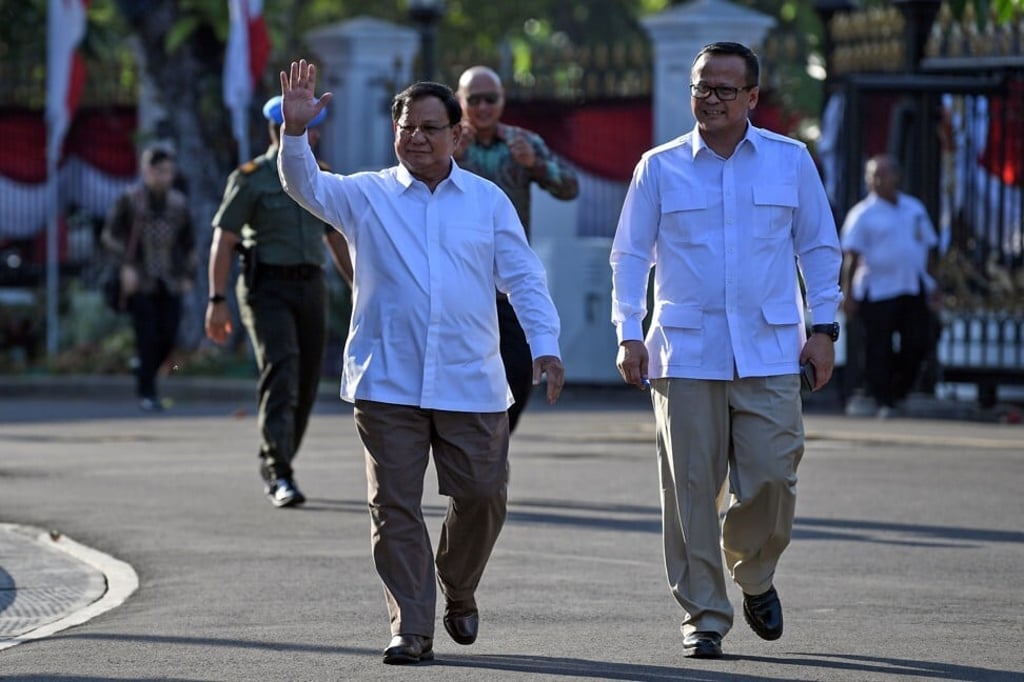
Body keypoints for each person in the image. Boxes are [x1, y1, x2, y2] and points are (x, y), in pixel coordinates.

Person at [277, 59, 565, 665]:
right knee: (395, 507)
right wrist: (296, 133)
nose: (418, 137)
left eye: (432, 128)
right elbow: (306, 188)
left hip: (471, 380)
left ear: (457, 135)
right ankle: (411, 626)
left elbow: (524, 279)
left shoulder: (487, 202)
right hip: (388, 381)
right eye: (409, 127)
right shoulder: (366, 195)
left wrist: (545, 344)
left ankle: (457, 586)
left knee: (484, 495)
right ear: (396, 132)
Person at [610, 42, 843, 659]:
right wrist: (628, 332)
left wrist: (825, 329)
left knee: (773, 478)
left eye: (723, 90)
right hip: (684, 352)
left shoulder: (789, 162)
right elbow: (631, 256)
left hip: (769, 350)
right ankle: (705, 615)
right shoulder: (658, 166)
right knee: (689, 490)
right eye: (700, 87)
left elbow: (818, 249)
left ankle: (755, 572)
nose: (709, 99)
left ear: (752, 98)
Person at [206, 95, 353, 509]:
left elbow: (335, 237)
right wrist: (216, 299)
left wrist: (360, 287)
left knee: (307, 381)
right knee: (282, 367)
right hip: (266, 287)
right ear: (280, 129)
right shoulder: (251, 178)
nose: (316, 132)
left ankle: (282, 458)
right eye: (307, 125)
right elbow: (225, 239)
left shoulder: (319, 175)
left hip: (310, 286)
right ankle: (278, 471)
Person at [454, 65, 579, 433]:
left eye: (489, 98)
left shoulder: (521, 142)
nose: (482, 107)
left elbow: (570, 187)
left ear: (502, 100)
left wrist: (534, 164)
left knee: (519, 369)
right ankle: (474, 457)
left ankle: (496, 444)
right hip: (458, 275)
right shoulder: (447, 142)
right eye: (473, 99)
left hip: (507, 281)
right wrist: (451, 160)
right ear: (460, 101)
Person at [840, 154, 939, 417]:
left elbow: (928, 246)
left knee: (918, 341)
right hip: (877, 289)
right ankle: (883, 399)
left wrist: (933, 282)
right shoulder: (862, 213)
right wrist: (847, 293)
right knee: (878, 346)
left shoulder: (914, 208)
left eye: (883, 174)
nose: (877, 180)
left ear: (896, 176)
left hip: (911, 285)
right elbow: (852, 256)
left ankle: (898, 390)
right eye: (872, 175)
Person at [101, 145, 197, 412]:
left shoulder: (179, 204)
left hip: (169, 280)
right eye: (159, 171)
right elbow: (110, 236)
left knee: (169, 334)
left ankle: (144, 368)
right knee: (147, 334)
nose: (164, 177)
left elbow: (189, 244)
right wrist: (126, 266)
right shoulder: (130, 200)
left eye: (168, 171)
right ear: (147, 171)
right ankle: (148, 391)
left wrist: (188, 274)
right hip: (140, 282)